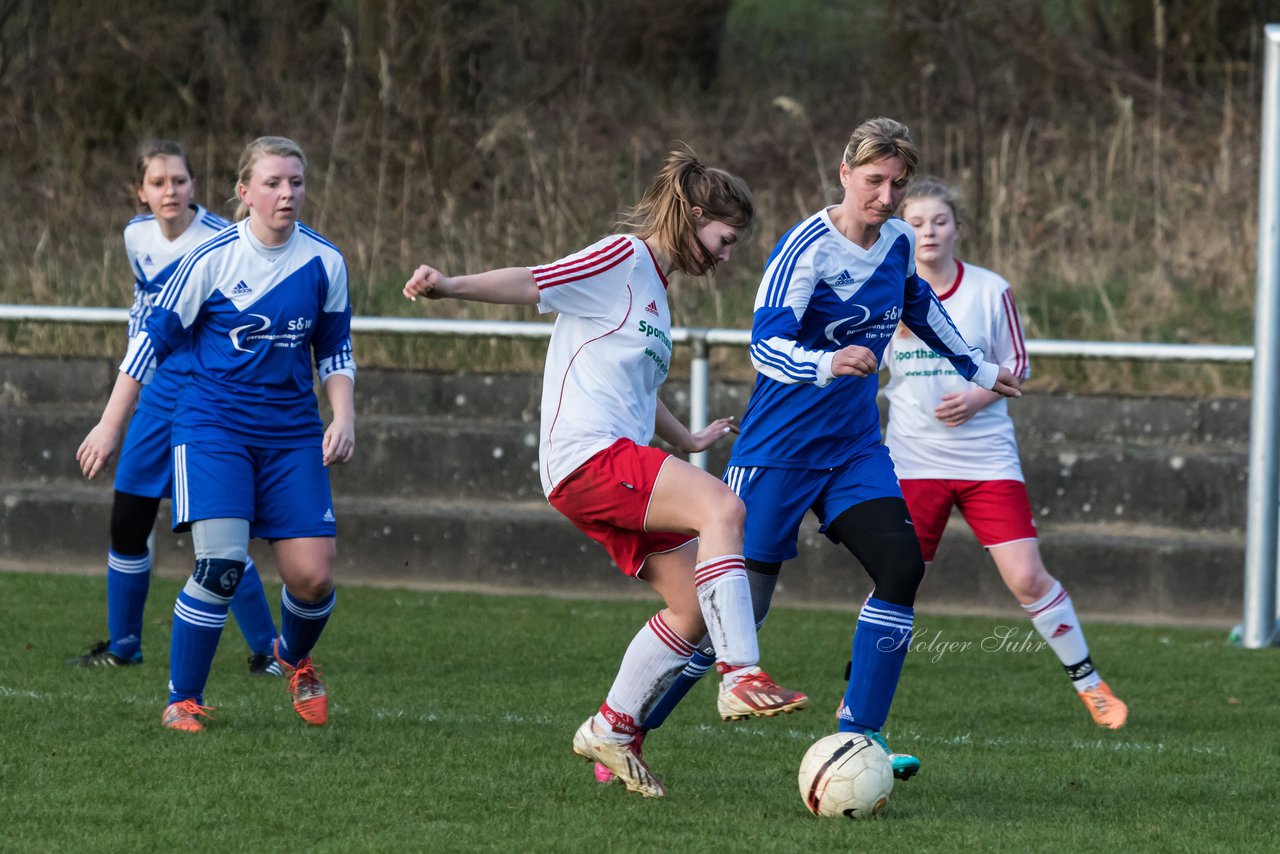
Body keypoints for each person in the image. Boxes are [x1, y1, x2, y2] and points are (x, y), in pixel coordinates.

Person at [402, 148, 808, 799]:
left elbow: (636, 391)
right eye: (725, 240)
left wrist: (687, 438)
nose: (728, 256)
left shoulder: (655, 291)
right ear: (697, 216)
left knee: (691, 607)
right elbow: (535, 280)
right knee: (725, 512)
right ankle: (741, 676)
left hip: (607, 461)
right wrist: (451, 285)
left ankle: (613, 728)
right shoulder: (623, 257)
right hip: (587, 458)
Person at [711, 117, 1020, 782]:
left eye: (897, 183)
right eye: (874, 181)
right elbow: (765, 345)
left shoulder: (900, 241)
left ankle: (860, 738)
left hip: (853, 450)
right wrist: (828, 363)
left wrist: (976, 366)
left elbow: (920, 306)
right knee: (736, 611)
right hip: (776, 451)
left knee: (902, 568)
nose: (885, 196)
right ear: (845, 173)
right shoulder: (805, 249)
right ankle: (626, 726)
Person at [77, 136, 356, 733]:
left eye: (297, 182)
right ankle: (184, 699)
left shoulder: (325, 262)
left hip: (291, 433)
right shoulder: (210, 260)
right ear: (244, 192)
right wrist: (110, 423)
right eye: (274, 183)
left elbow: (334, 350)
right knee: (222, 563)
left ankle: (292, 658)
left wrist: (344, 415)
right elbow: (151, 341)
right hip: (213, 427)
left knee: (313, 577)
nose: (287, 194)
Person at [885, 176, 1127, 729]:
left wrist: (976, 395)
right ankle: (860, 692)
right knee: (897, 581)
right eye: (916, 222)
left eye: (939, 222)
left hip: (985, 460)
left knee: (1026, 578)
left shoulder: (990, 290)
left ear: (959, 230)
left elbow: (1019, 366)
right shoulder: (884, 291)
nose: (928, 232)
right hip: (912, 462)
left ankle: (1090, 685)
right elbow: (860, 366)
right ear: (901, 230)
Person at [66, 140, 281, 676]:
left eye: (179, 181)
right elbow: (147, 305)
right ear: (141, 192)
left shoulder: (219, 241)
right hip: (157, 394)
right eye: (158, 182)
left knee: (215, 535)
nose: (170, 191)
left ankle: (269, 649)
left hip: (206, 396)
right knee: (128, 520)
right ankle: (124, 646)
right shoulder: (135, 236)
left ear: (194, 187)